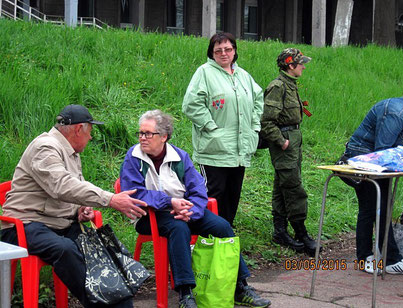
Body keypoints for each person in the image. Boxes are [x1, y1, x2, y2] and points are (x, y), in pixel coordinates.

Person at [120, 110, 271, 308]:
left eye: (148, 133)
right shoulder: (133, 157)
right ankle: (185, 294)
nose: (142, 138)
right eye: (140, 133)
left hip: (183, 210)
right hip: (149, 216)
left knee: (222, 226)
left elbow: (199, 191)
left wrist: (191, 212)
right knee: (178, 228)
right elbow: (135, 193)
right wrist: (169, 202)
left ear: (164, 136)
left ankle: (240, 287)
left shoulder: (180, 157)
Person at [1, 105, 148, 308]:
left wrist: (78, 209)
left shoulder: (71, 152)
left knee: (101, 251)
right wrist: (110, 199)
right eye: (90, 132)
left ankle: (121, 303)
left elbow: (71, 191)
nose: (90, 138)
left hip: (57, 225)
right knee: (66, 249)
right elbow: (61, 186)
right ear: (79, 129)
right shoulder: (45, 147)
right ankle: (102, 304)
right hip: (25, 225)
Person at [182, 32, 264, 226]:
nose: (224, 53)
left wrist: (255, 126)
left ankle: (224, 240)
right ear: (212, 53)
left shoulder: (243, 75)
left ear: (234, 51)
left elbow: (258, 99)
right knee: (212, 197)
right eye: (218, 50)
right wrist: (211, 126)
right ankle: (205, 239)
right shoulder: (204, 73)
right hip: (214, 150)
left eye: (228, 49)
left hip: (239, 151)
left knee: (232, 196)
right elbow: (191, 104)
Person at [340, 94, 403, 274]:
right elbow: (383, 151)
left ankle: (388, 257)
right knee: (370, 208)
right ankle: (366, 258)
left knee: (382, 207)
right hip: (364, 161)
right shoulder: (397, 113)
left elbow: (397, 147)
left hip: (372, 161)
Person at [260, 48, 319, 256]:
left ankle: (280, 231)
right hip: (285, 143)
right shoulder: (278, 87)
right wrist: (282, 142)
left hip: (293, 141)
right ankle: (301, 233)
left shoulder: (290, 84)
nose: (303, 66)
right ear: (290, 65)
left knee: (282, 185)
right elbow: (267, 121)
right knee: (293, 187)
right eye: (300, 63)